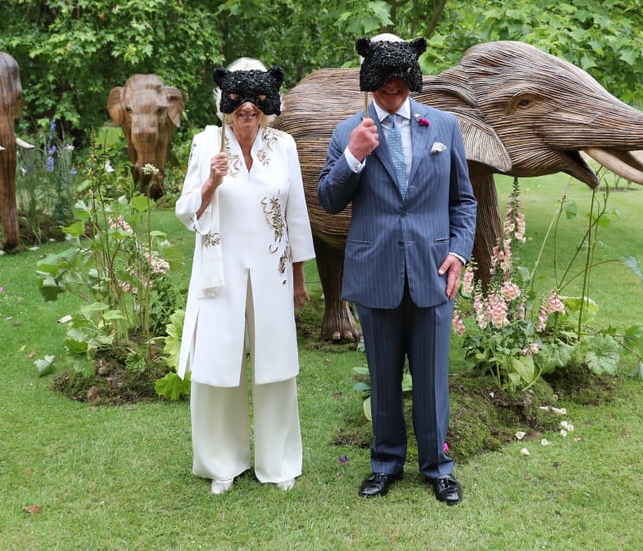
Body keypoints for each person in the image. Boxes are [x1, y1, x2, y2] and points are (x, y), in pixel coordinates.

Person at [317, 35, 477, 505]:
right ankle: (385, 464)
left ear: (411, 82)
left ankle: (438, 467)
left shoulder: (443, 127)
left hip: (433, 271)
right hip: (376, 271)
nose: (393, 96)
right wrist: (355, 155)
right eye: (385, 90)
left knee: (432, 379)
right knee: (383, 377)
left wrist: (460, 254)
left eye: (401, 88)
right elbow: (329, 199)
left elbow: (462, 201)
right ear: (370, 84)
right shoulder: (350, 129)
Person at [175, 59, 315, 495]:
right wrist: (210, 184)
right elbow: (185, 212)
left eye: (257, 102)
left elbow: (295, 214)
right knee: (218, 365)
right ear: (226, 105)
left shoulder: (284, 145)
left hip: (272, 271)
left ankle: (279, 461)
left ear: (268, 104)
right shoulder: (205, 143)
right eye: (239, 102)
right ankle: (222, 463)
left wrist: (299, 277)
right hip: (221, 271)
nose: (248, 110)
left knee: (277, 365)